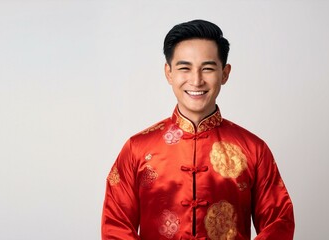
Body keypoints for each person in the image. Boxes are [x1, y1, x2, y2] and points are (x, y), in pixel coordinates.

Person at [101, 19, 294, 240]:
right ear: (169, 73)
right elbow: (115, 226)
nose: (196, 80)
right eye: (185, 68)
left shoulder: (253, 149)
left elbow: (280, 222)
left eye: (208, 68)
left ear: (225, 73)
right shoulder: (137, 148)